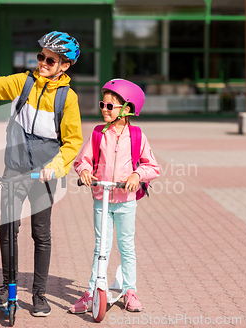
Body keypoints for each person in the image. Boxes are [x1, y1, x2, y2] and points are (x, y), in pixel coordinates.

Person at [0, 31, 83, 317]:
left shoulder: (68, 98)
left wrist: (55, 167)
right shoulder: (23, 82)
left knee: (42, 234)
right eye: (41, 57)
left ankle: (39, 294)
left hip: (45, 175)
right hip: (14, 168)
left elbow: (73, 142)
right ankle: (6, 286)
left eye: (51, 60)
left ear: (64, 66)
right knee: (8, 230)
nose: (43, 62)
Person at [72, 79, 160, 313]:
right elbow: (82, 160)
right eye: (103, 104)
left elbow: (152, 166)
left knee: (126, 246)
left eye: (110, 106)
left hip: (125, 202)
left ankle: (130, 291)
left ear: (127, 109)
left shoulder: (137, 135)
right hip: (102, 199)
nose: (104, 109)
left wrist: (137, 175)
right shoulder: (98, 133)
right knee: (100, 247)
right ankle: (91, 291)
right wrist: (85, 171)